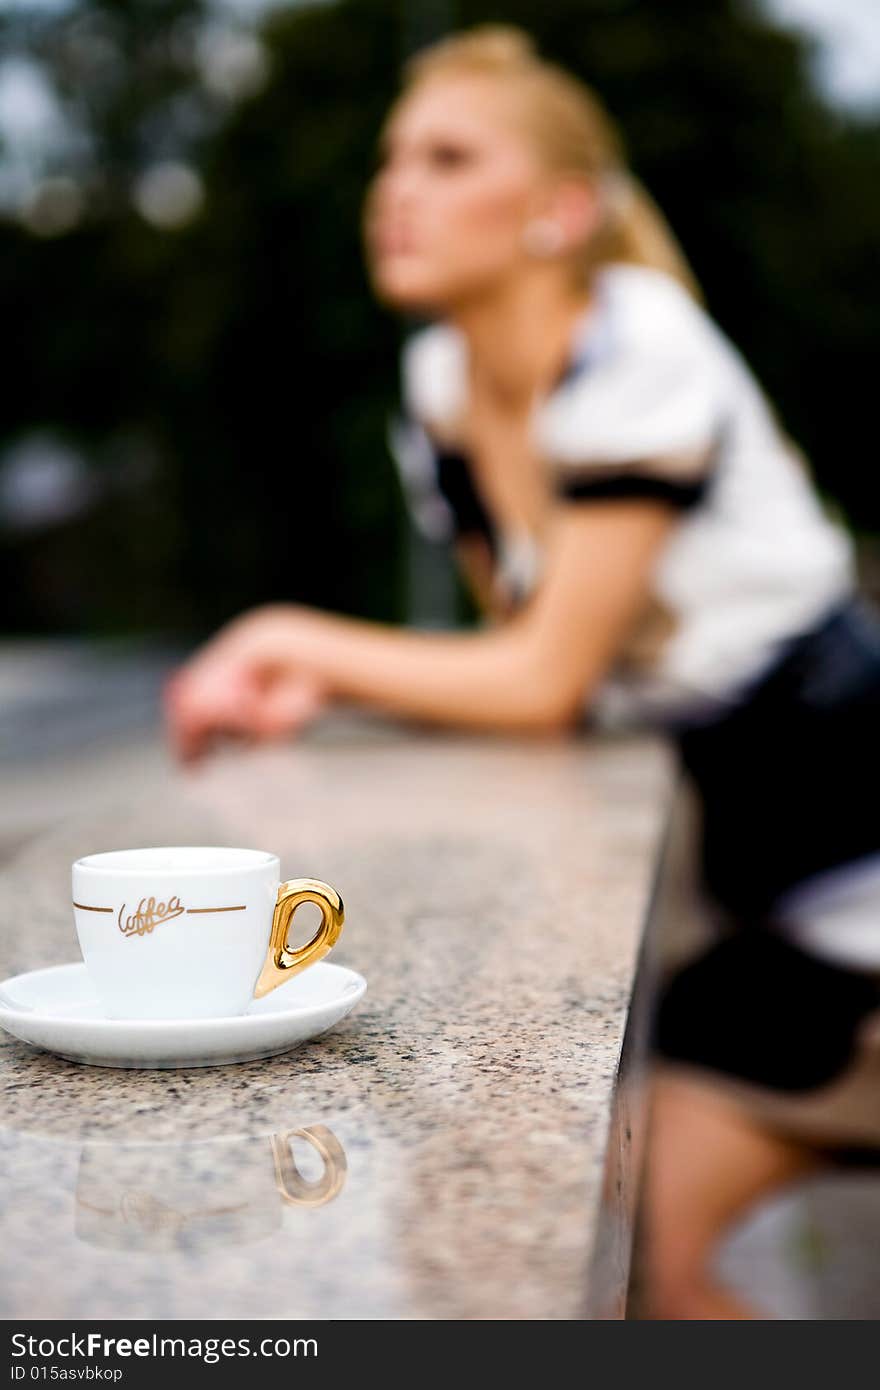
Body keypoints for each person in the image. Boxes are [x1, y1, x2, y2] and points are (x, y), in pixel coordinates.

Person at [164, 26, 880, 1317]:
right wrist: (337, 691)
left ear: (557, 212)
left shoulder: (639, 349)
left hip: (851, 905)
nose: (397, 189)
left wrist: (289, 635)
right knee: (544, 1213)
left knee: (611, 1225)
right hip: (768, 904)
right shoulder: (442, 381)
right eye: (393, 159)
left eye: (447, 157)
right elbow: (534, 665)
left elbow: (545, 678)